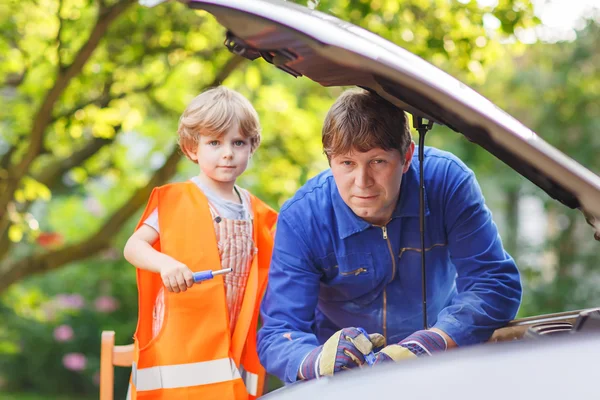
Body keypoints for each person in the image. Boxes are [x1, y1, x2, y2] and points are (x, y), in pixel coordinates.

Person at [256, 88, 522, 384]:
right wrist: (316, 360)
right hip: (343, 383)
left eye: (377, 161)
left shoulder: (447, 182)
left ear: (407, 156)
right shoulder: (301, 218)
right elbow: (278, 333)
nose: (362, 182)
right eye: (347, 163)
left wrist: (433, 342)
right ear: (330, 161)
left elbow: (494, 283)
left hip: (439, 363)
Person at [123, 86, 277, 399]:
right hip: (183, 338)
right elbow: (133, 247)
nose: (228, 153)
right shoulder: (177, 200)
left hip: (234, 336)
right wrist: (166, 263)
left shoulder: (258, 212)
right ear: (192, 148)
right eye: (214, 143)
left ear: (252, 146)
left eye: (238, 142)